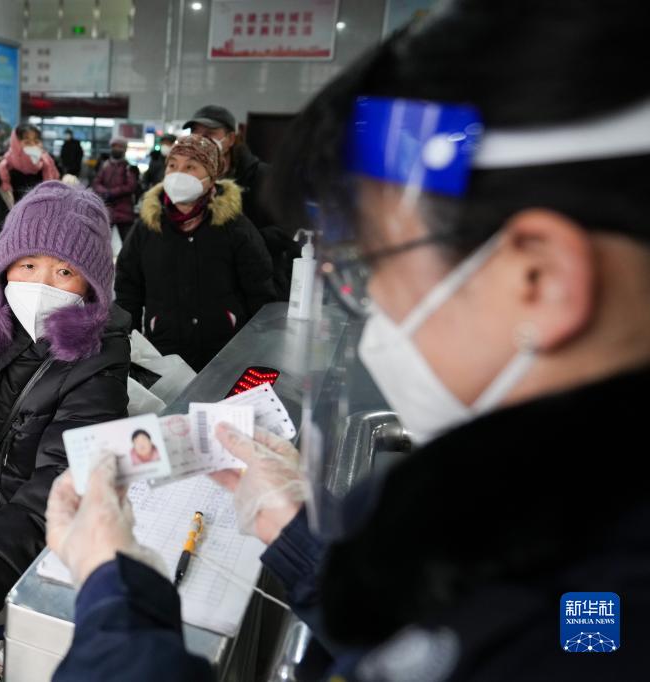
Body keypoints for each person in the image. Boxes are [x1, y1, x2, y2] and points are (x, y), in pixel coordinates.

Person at [46, 1, 650, 680]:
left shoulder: (596, 617)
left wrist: (113, 596)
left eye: (375, 264)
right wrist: (298, 538)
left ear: (540, 278)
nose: (373, 315)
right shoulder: (563, 518)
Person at [0, 181, 131, 630]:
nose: (40, 284)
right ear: (3, 267)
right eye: (27, 264)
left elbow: (65, 476)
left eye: (64, 272)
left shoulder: (99, 358)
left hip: (23, 535)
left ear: (92, 285)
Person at [115, 135, 275, 372]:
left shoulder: (235, 227)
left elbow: (260, 292)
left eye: (190, 166)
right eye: (173, 165)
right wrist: (126, 343)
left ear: (211, 176)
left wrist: (257, 351)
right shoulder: (147, 228)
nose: (179, 173)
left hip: (225, 355)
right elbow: (128, 290)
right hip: (164, 354)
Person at [185, 104, 295, 300]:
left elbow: (287, 228)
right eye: (195, 133)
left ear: (230, 139)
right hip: (205, 285)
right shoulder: (187, 180)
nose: (201, 141)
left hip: (254, 284)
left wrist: (244, 244)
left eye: (210, 133)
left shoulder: (263, 177)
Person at [0, 123, 60, 209]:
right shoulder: (2, 172)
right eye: (27, 142)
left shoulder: (49, 166)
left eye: (36, 141)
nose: (33, 145)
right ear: (16, 144)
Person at [92, 137, 139, 241]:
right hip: (107, 210)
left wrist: (112, 192)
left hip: (124, 211)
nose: (117, 149)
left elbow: (131, 186)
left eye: (120, 147)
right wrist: (105, 192)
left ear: (125, 149)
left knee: (128, 242)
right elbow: (96, 183)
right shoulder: (104, 166)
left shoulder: (129, 167)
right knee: (103, 242)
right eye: (114, 146)